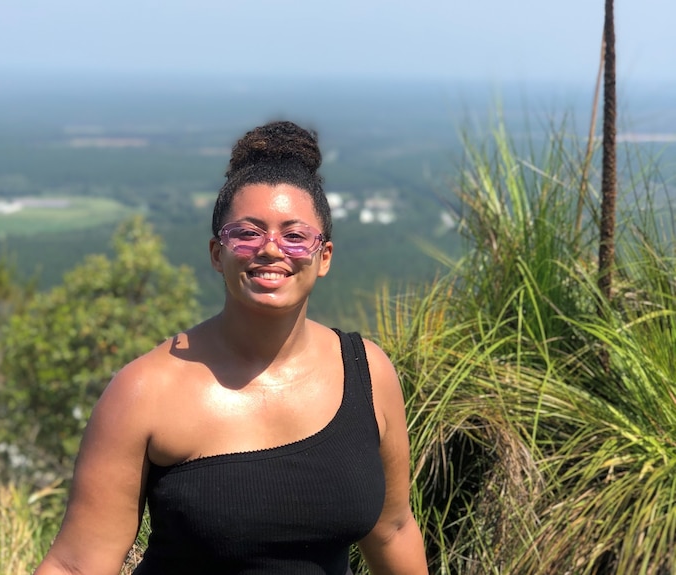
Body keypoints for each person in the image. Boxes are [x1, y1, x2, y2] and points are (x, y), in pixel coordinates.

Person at [33, 120, 428, 575]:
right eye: (248, 233)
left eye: (295, 236)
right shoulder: (146, 391)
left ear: (325, 257)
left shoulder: (367, 373)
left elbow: (393, 529)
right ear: (217, 253)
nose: (271, 249)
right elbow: (77, 564)